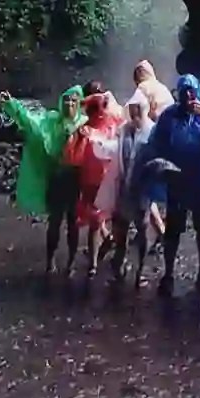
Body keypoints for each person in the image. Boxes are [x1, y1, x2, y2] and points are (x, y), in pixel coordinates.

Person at [0, 85, 88, 276]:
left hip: (76, 180)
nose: (69, 104)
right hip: (56, 178)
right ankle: (50, 260)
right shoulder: (51, 121)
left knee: (73, 223)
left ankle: (71, 262)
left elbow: (108, 132)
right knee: (54, 222)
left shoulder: (85, 124)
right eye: (66, 100)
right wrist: (11, 105)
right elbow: (30, 121)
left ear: (79, 104)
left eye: (73, 100)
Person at [149, 74, 200, 295]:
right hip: (178, 179)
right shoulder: (169, 115)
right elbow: (157, 142)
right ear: (178, 94)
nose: (189, 96)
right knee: (173, 228)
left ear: (198, 91)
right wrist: (162, 168)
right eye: (184, 92)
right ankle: (168, 273)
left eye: (192, 91)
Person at [101, 89, 154, 287]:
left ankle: (140, 270)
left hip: (142, 191)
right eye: (132, 109)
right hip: (123, 189)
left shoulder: (152, 131)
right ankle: (118, 268)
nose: (135, 113)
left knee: (142, 230)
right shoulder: (124, 130)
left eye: (138, 109)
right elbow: (114, 150)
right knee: (120, 231)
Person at [70, 84, 124, 275]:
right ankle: (111, 252)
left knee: (94, 220)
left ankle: (94, 263)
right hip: (109, 176)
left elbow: (75, 157)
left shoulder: (85, 129)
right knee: (106, 218)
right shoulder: (114, 122)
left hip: (92, 178)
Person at [131, 60, 172, 249]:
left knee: (143, 187)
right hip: (169, 141)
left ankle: (159, 230)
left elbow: (135, 116)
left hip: (151, 141)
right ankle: (163, 229)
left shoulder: (142, 89)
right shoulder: (163, 88)